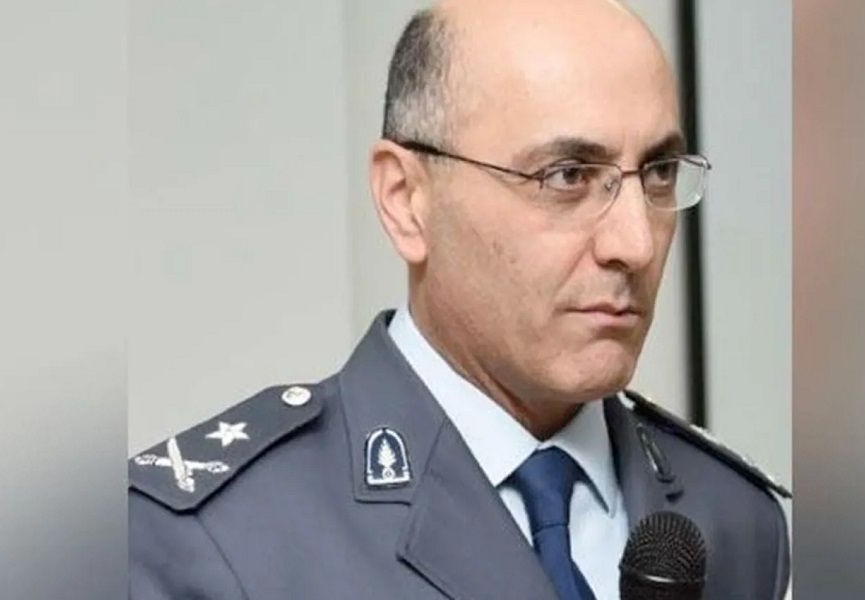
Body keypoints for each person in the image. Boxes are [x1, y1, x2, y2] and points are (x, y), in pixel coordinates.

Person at [128, 0, 790, 598]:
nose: (635, 244)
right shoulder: (216, 541)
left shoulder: (733, 520)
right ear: (406, 201)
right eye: (567, 176)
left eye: (659, 173)